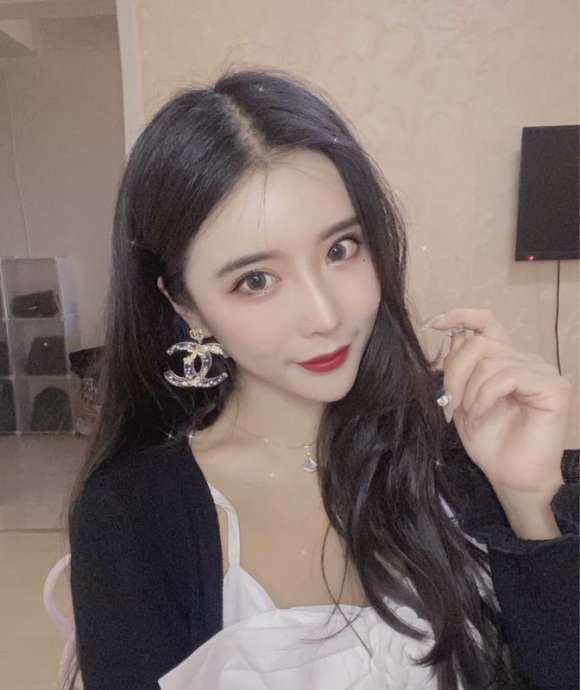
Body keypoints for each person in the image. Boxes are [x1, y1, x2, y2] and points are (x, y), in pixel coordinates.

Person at [65, 68, 579, 690]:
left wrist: (529, 498)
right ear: (186, 306)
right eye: (256, 280)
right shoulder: (132, 513)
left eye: (340, 249)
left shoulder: (463, 441)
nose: (327, 315)